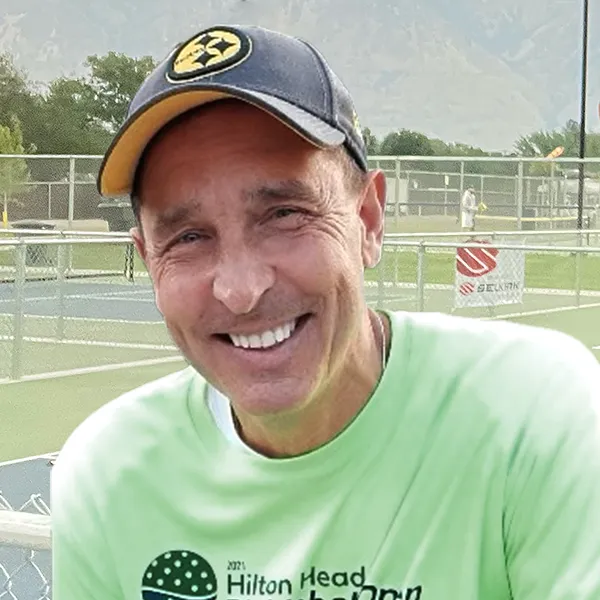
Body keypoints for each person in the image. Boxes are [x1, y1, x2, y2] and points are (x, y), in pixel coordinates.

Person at [51, 24, 600, 600]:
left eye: (284, 214)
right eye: (188, 237)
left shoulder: (536, 414)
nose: (240, 290)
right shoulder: (110, 474)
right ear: (147, 258)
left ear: (367, 220)